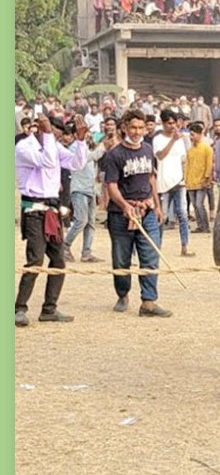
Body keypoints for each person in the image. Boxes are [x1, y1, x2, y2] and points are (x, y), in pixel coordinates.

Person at [15, 114, 90, 326]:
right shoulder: (24, 147)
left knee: (58, 260)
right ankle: (19, 308)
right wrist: (47, 135)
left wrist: (81, 141)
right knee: (36, 260)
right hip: (34, 209)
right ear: (41, 128)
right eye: (53, 130)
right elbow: (47, 161)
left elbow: (76, 163)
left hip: (52, 210)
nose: (57, 135)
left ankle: (49, 309)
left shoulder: (54, 146)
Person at [101, 110, 172, 317]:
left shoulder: (148, 150)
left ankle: (148, 302)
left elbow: (151, 179)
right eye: (133, 127)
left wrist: (157, 206)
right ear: (124, 127)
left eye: (141, 128)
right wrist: (124, 206)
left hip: (147, 211)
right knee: (121, 259)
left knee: (150, 256)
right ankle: (123, 294)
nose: (137, 132)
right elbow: (111, 186)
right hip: (121, 215)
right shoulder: (115, 155)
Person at [153, 110, 194, 257]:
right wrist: (172, 140)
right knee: (162, 217)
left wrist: (185, 176)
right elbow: (160, 156)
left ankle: (185, 246)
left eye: (174, 123)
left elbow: (184, 159)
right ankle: (157, 248)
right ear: (163, 123)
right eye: (169, 123)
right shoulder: (158, 139)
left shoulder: (181, 140)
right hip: (164, 181)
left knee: (182, 214)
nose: (172, 126)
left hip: (179, 181)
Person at [64, 127, 106, 263]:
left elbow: (93, 169)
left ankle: (86, 252)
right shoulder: (74, 147)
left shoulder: (88, 147)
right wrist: (102, 148)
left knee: (90, 223)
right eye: (85, 132)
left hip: (90, 189)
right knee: (81, 220)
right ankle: (64, 246)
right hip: (79, 189)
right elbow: (85, 159)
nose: (88, 135)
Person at [184, 122, 213, 233]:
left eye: (193, 135)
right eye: (190, 135)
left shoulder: (207, 149)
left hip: (202, 182)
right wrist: (185, 178)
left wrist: (206, 178)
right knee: (195, 206)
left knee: (199, 204)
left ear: (200, 134)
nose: (191, 137)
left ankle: (205, 226)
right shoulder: (190, 150)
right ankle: (200, 226)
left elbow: (209, 165)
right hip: (191, 181)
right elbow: (187, 165)